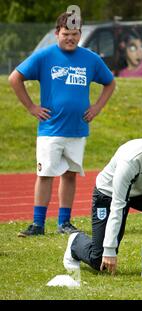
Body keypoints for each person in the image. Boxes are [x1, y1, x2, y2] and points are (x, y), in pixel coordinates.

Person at [9, 12, 116, 237]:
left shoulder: (90, 58)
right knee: (45, 174)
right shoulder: (44, 56)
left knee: (69, 175)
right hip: (50, 129)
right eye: (66, 34)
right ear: (57, 33)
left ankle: (64, 223)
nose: (70, 38)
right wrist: (32, 107)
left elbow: (110, 82)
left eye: (75, 34)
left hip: (77, 129)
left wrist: (96, 108)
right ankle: (38, 224)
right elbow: (14, 78)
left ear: (80, 34)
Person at [63, 104, 142, 280]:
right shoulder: (132, 160)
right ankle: (76, 242)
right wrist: (109, 250)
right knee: (99, 260)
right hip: (108, 193)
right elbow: (118, 204)